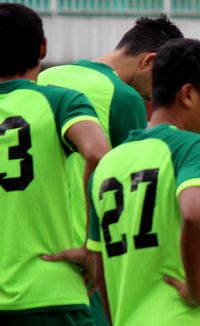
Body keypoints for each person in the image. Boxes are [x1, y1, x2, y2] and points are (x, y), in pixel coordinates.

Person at [86, 38, 200, 325]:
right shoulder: (191, 146)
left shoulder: (108, 163)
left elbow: (97, 268)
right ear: (188, 95)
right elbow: (194, 212)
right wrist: (198, 291)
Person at [0, 3, 109, 325]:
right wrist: (93, 244)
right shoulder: (61, 100)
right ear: (43, 47)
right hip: (51, 290)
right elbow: (98, 153)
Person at [38, 14, 183, 248]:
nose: (153, 96)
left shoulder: (46, 76)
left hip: (28, 240)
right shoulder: (124, 98)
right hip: (84, 247)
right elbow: (134, 190)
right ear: (149, 61)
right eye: (162, 80)